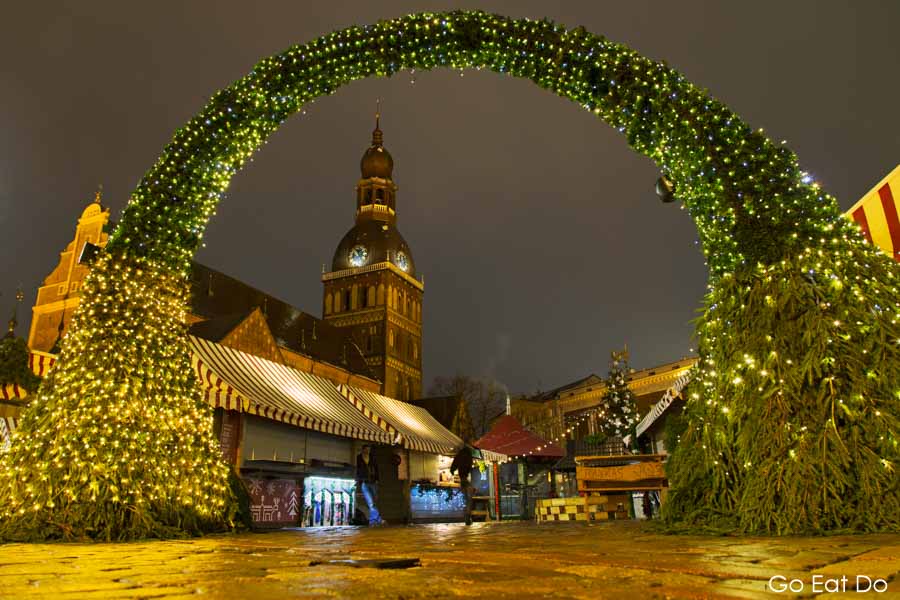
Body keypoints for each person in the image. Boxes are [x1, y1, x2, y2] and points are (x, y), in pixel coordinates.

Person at [356, 445, 384, 526]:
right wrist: (359, 480)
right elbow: (358, 469)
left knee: (374, 501)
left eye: (369, 449)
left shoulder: (372, 457)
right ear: (363, 450)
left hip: (373, 481)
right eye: (366, 449)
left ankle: (374, 520)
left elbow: (376, 468)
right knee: (370, 502)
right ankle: (376, 520)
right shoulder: (358, 458)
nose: (368, 451)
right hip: (364, 481)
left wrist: (377, 480)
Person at [450, 443, 474, 525]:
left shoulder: (460, 455)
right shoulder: (469, 455)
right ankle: (467, 516)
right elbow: (469, 466)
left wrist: (452, 470)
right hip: (465, 478)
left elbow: (454, 464)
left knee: (466, 499)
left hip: (463, 478)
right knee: (468, 499)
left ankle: (467, 516)